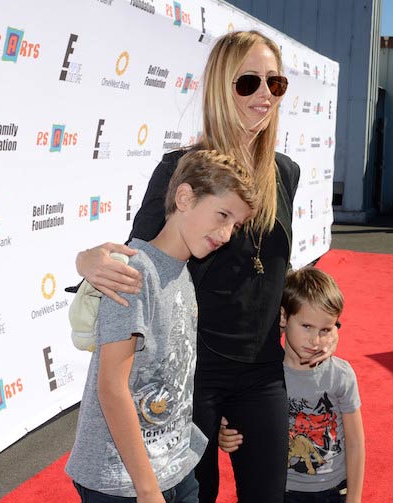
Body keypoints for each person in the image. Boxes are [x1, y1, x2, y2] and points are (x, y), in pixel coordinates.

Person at [73, 30, 339, 503]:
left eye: (275, 84)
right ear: (221, 86)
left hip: (262, 367)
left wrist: (308, 321)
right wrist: (85, 260)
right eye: (249, 82)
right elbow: (143, 257)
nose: (264, 95)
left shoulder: (287, 173)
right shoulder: (183, 168)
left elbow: (271, 266)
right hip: (196, 371)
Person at [65, 149, 259, 502]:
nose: (228, 233)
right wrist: (147, 488)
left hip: (175, 469)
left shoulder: (183, 273)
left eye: (236, 224)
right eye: (222, 214)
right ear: (184, 197)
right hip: (121, 481)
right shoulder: (135, 274)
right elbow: (111, 388)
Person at [219, 267, 365, 503]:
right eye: (307, 326)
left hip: (333, 491)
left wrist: (355, 498)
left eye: (325, 330)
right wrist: (223, 434)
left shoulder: (341, 375)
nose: (315, 341)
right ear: (284, 318)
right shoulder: (261, 375)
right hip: (280, 492)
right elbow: (240, 424)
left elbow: (356, 441)